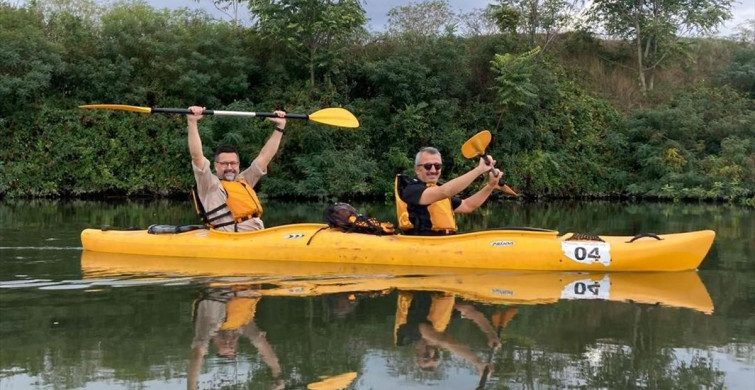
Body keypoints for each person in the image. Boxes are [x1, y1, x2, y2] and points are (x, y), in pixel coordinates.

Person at [186, 106, 286, 232]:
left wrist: (280, 127)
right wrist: (192, 122)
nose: (229, 167)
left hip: (257, 233)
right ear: (216, 165)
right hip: (233, 237)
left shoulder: (244, 180)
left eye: (233, 163)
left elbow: (265, 156)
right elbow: (197, 157)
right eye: (224, 164)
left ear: (238, 164)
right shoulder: (209, 184)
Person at [188, 285, 284, 390]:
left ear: (215, 342)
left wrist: (191, 388)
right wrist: (278, 375)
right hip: (251, 280)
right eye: (231, 344)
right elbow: (262, 345)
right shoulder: (244, 325)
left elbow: (197, 353)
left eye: (224, 343)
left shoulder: (209, 326)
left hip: (226, 278)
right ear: (237, 342)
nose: (228, 340)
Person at [395, 146, 505, 235]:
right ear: (417, 169)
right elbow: (444, 192)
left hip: (446, 242)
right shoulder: (411, 190)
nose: (433, 170)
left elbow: (467, 206)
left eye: (437, 166)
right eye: (428, 166)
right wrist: (479, 170)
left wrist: (490, 186)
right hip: (423, 243)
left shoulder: (435, 189)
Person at [394, 291, 504, 374]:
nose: (432, 353)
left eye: (426, 356)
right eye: (436, 356)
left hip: (421, 282)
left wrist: (477, 362)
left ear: (416, 351)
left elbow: (443, 340)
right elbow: (469, 311)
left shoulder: (405, 334)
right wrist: (491, 334)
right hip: (441, 288)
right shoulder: (440, 321)